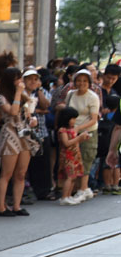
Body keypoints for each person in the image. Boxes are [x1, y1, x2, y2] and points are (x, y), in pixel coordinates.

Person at [0, 66, 39, 216]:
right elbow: (12, 112)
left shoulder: (23, 96)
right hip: (10, 133)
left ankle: (17, 206)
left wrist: (32, 120)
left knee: (21, 173)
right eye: (17, 78)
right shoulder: (1, 97)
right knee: (6, 173)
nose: (20, 81)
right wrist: (19, 93)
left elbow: (26, 113)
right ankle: (1, 206)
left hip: (23, 134)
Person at [61, 68, 100, 200]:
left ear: (89, 82)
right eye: (79, 80)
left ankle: (83, 188)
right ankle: (78, 188)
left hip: (87, 132)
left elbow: (94, 119)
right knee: (74, 160)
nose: (81, 83)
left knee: (86, 158)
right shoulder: (71, 94)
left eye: (84, 81)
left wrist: (78, 129)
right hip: (71, 131)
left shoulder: (92, 97)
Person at [56, 108, 87, 204]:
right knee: (69, 176)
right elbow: (66, 143)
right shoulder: (62, 130)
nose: (74, 121)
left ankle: (69, 195)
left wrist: (82, 138)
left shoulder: (72, 129)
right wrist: (79, 138)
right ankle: (64, 196)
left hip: (75, 155)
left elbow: (75, 141)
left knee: (74, 176)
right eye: (72, 118)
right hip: (67, 156)